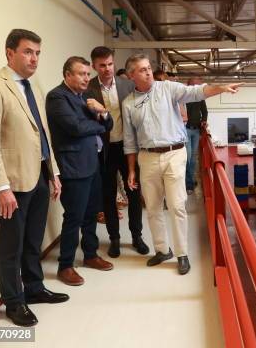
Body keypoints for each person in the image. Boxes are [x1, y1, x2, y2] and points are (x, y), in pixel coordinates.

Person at [0, 29, 68, 326]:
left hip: (38, 176)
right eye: (28, 51)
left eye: (38, 53)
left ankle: (35, 288)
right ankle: (14, 302)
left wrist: (53, 171)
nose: (34, 58)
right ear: (9, 52)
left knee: (33, 239)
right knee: (11, 245)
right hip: (11, 183)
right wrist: (1, 187)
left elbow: (41, 133)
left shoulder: (31, 87)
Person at [122, 53, 241, 275]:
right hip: (147, 158)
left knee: (177, 206)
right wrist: (131, 170)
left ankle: (182, 253)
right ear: (131, 75)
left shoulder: (167, 88)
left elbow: (195, 92)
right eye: (142, 70)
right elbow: (129, 141)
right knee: (154, 207)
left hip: (175, 153)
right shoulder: (129, 104)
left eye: (148, 68)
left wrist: (221, 87)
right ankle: (161, 250)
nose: (148, 72)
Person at [46, 56, 114, 286]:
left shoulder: (86, 97)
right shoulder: (57, 97)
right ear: (67, 75)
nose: (87, 78)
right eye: (81, 74)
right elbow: (75, 128)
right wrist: (99, 122)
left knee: (91, 213)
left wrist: (102, 112)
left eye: (87, 74)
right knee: (73, 217)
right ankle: (65, 266)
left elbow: (109, 125)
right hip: (73, 167)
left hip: (92, 163)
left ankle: (90, 255)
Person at [85, 46, 148, 258]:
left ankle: (137, 236)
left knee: (133, 193)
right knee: (108, 195)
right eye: (102, 65)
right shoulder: (88, 88)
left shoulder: (128, 85)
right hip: (103, 151)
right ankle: (114, 238)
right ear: (94, 66)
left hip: (128, 147)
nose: (107, 69)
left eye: (110, 64)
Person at [185, 77, 208, 192]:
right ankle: (189, 184)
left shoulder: (200, 98)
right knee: (187, 158)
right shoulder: (183, 96)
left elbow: (205, 111)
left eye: (197, 85)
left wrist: (204, 120)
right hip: (185, 130)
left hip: (196, 130)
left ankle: (190, 181)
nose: (195, 87)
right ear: (187, 85)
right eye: (193, 85)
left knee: (193, 159)